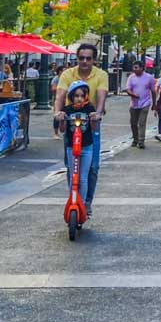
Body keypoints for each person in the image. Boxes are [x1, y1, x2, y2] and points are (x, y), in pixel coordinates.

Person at [52, 44, 108, 212]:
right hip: (71, 124)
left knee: (93, 167)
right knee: (71, 167)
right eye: (81, 58)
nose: (84, 61)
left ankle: (86, 202)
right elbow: (60, 96)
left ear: (94, 59)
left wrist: (97, 114)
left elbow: (101, 96)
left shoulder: (101, 75)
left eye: (88, 58)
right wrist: (58, 113)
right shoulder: (68, 74)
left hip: (90, 124)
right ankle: (74, 199)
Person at [58, 81, 96, 213]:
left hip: (86, 146)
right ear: (71, 97)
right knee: (73, 174)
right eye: (76, 96)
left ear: (85, 96)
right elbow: (62, 130)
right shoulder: (67, 110)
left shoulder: (89, 108)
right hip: (71, 147)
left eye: (81, 96)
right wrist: (62, 118)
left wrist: (94, 119)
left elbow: (94, 129)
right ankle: (73, 199)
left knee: (83, 177)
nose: (79, 99)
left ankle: (83, 203)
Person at [125, 60, 156, 149]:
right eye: (133, 68)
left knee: (141, 122)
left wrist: (154, 103)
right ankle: (135, 139)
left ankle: (141, 141)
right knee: (133, 123)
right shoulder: (131, 77)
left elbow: (153, 91)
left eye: (136, 67)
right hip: (134, 104)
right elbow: (128, 89)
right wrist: (132, 94)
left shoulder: (149, 77)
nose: (134, 69)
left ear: (142, 68)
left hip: (145, 103)